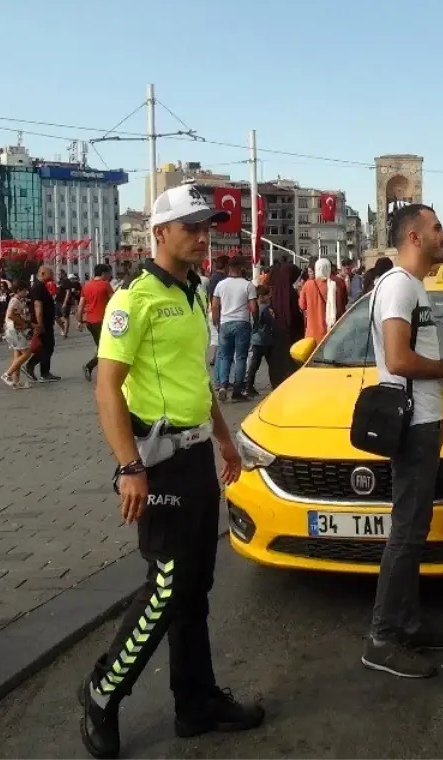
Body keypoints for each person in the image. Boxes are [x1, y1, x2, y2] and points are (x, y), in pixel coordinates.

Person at [81, 184, 263, 760]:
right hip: (155, 464)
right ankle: (102, 693)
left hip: (194, 459)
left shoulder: (192, 291)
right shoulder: (132, 300)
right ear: (159, 232)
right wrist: (128, 466)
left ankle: (196, 702)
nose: (202, 235)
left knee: (195, 591)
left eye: (207, 226)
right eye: (191, 226)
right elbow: (106, 386)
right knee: (164, 589)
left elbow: (196, 379)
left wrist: (225, 440)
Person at [361, 203, 443, 680]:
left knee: (414, 530)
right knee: (406, 533)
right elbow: (397, 359)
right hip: (412, 426)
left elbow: (414, 358)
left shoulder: (413, 287)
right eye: (437, 227)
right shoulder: (397, 286)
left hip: (423, 419)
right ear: (413, 236)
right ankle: (383, 637)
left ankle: (408, 623)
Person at [211, 256, 257, 402]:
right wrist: (255, 321)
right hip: (242, 323)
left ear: (229, 268)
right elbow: (254, 308)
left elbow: (214, 306)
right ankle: (237, 390)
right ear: (241, 268)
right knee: (241, 357)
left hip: (225, 323)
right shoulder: (248, 285)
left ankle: (223, 385)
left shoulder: (221, 285)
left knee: (225, 356)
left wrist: (217, 322)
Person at [79, 264, 114, 382]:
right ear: (104, 273)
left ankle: (102, 371)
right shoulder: (105, 285)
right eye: (109, 273)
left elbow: (81, 305)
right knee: (106, 348)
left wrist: (80, 320)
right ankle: (90, 366)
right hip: (102, 321)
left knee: (102, 347)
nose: (110, 276)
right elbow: (115, 301)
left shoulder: (86, 286)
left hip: (90, 322)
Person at [24, 266, 60, 383]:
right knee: (47, 346)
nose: (53, 274)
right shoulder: (38, 287)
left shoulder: (40, 286)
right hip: (42, 323)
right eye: (51, 273)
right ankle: (38, 369)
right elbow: (37, 306)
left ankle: (43, 371)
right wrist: (40, 324)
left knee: (46, 346)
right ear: (43, 273)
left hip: (45, 322)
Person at [244, 285, 274, 396]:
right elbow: (271, 323)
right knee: (272, 364)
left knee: (254, 365)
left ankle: (249, 386)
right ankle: (275, 384)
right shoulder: (265, 309)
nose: (269, 297)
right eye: (267, 295)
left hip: (256, 339)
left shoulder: (254, 308)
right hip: (265, 340)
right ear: (262, 296)